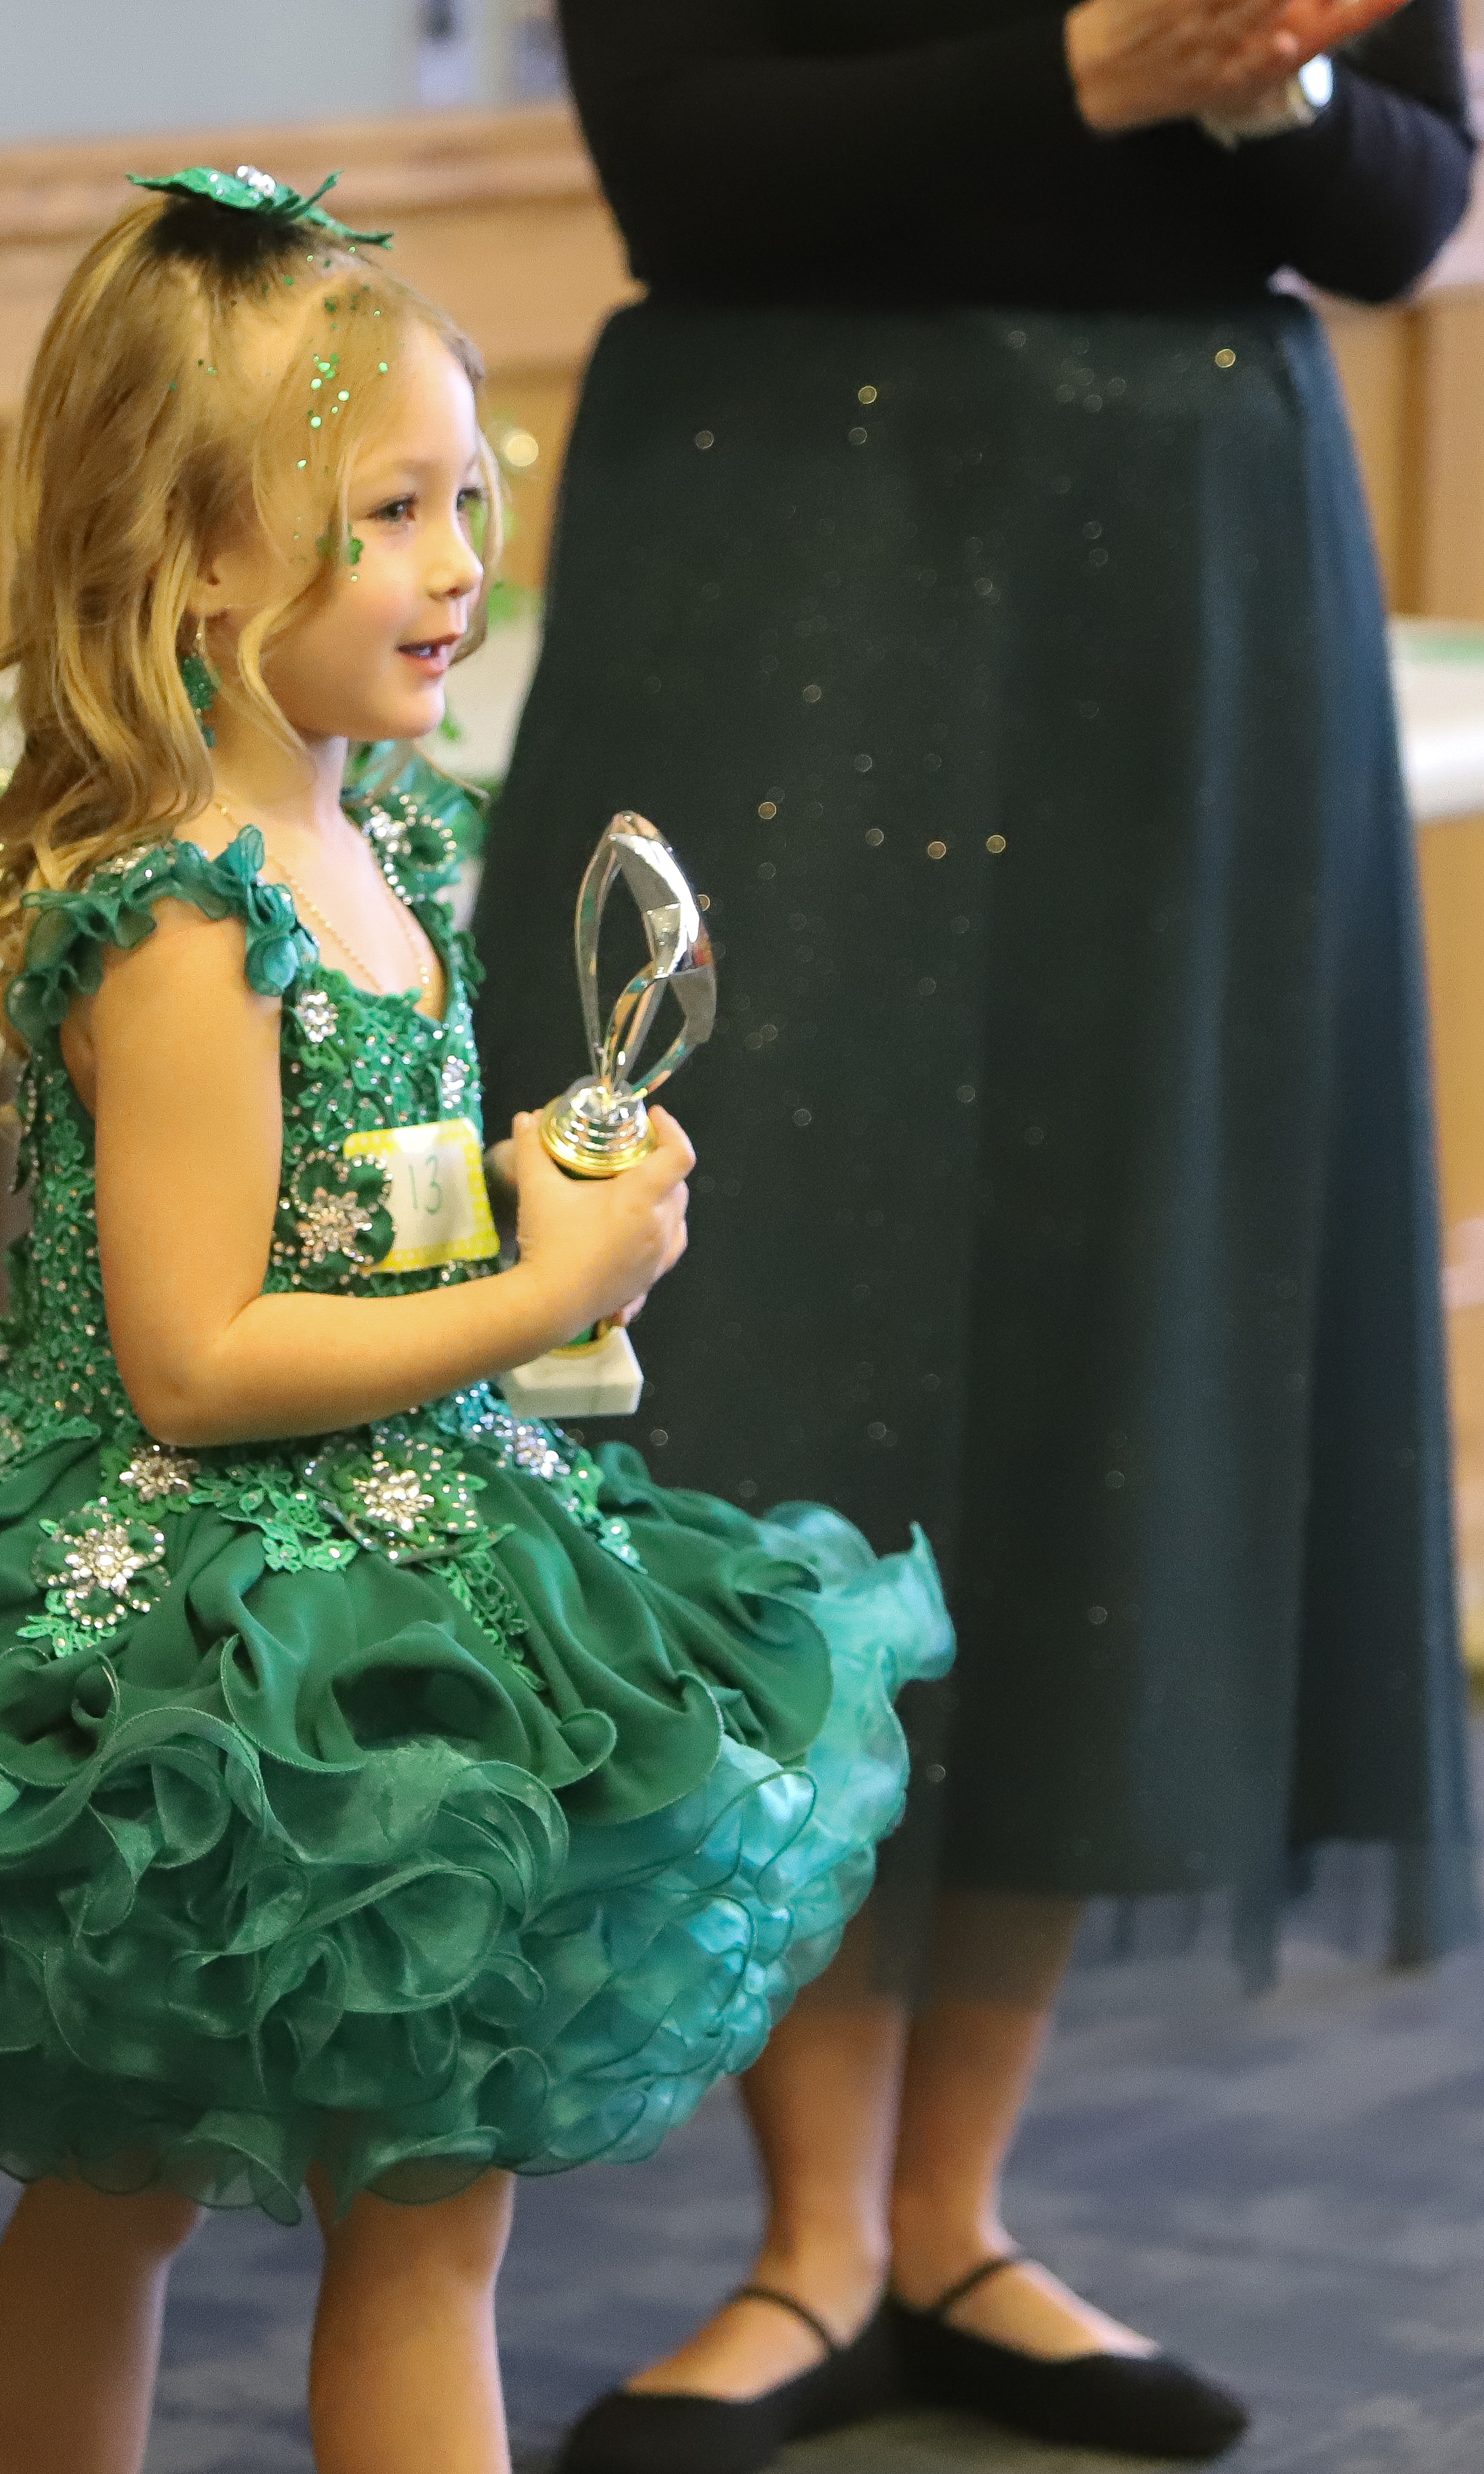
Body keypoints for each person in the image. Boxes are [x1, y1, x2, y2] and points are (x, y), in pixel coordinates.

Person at [0, 170, 951, 2474]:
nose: (459, 562)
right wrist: (535, 1292)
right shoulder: (190, 914)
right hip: (178, 1634)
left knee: (418, 2215)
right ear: (193, 557)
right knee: (122, 2194)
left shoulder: (375, 840)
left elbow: (338, 1210)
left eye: (472, 498)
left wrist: (511, 1186)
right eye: (387, 513)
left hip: (404, 1586)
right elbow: (196, 1356)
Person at [472, 0, 1478, 2466]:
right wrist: (1099, 71)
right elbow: (680, 163)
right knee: (765, 1338)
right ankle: (807, 2239)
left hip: (1189, 582)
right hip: (784, 550)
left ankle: (954, 2218)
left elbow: (1411, 206)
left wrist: (1277, 92)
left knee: (1103, 1345)